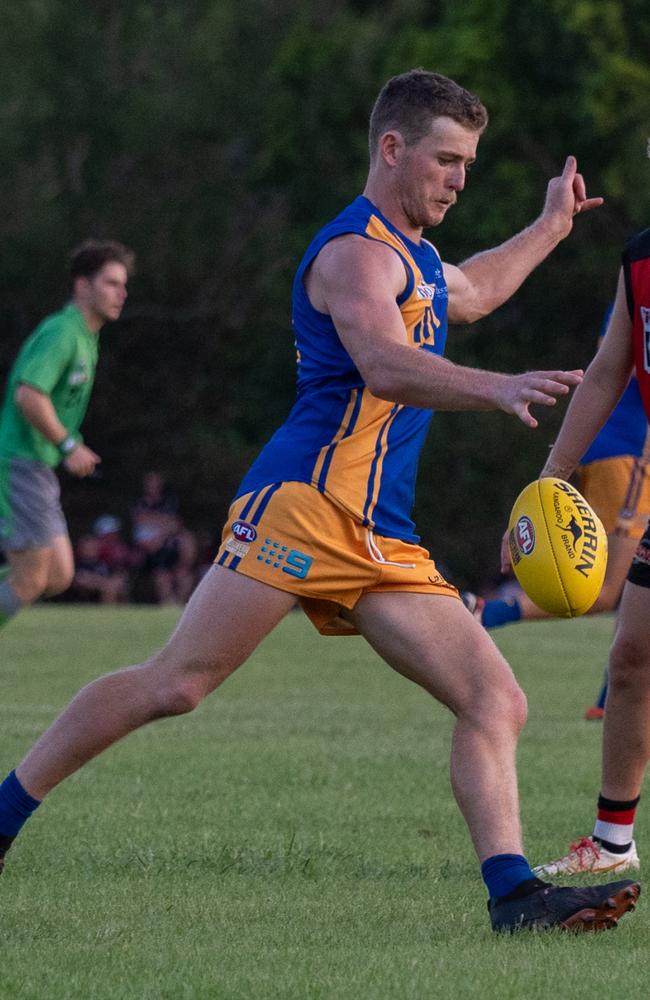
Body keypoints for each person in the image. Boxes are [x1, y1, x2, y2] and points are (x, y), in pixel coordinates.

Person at [0, 70, 638, 933]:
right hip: (303, 506)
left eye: (469, 164)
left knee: (496, 700)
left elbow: (477, 289)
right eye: (446, 159)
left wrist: (552, 224)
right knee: (177, 685)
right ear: (391, 148)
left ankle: (515, 897)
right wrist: (494, 387)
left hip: (380, 534)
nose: (459, 178)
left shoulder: (412, 256)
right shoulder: (353, 254)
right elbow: (383, 361)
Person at [507, 220, 650, 879]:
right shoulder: (640, 257)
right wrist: (549, 483)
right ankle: (613, 842)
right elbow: (606, 374)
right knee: (631, 660)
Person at [473, 306, 650, 719]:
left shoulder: (630, 284)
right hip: (631, 453)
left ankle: (611, 698)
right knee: (608, 588)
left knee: (636, 581)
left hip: (599, 444)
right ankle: (485, 612)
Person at [0, 240, 134, 628]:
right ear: (82, 286)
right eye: (111, 283)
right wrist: (68, 444)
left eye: (122, 284)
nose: (121, 293)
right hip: (19, 462)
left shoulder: (85, 338)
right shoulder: (63, 332)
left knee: (57, 576)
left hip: (38, 466)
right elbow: (29, 394)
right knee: (29, 579)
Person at [131, 473, 198, 605]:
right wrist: (163, 523)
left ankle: (179, 605)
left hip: (167, 544)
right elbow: (141, 520)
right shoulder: (140, 503)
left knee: (184, 573)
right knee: (162, 573)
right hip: (149, 548)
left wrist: (160, 530)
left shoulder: (169, 502)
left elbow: (175, 524)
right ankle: (167, 603)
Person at [72, 516, 133, 605]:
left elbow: (119, 575)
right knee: (110, 587)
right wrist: (105, 583)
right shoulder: (78, 561)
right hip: (85, 598)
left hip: (107, 590)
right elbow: (80, 579)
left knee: (116, 586)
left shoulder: (104, 560)